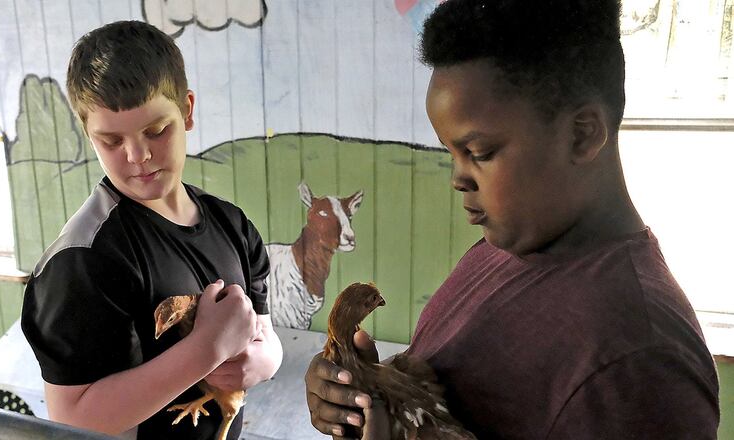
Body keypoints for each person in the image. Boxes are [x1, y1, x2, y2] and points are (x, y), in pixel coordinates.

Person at [305, 1, 720, 439]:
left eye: (479, 152)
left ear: (582, 134)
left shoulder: (639, 365)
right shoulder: (500, 251)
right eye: (451, 153)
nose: (458, 178)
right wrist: (367, 389)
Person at [21, 20, 282, 440]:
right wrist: (207, 349)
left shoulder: (231, 224)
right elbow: (72, 419)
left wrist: (264, 359)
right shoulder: (83, 260)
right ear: (88, 134)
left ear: (187, 111)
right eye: (111, 141)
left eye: (156, 131)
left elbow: (265, 331)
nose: (138, 155)